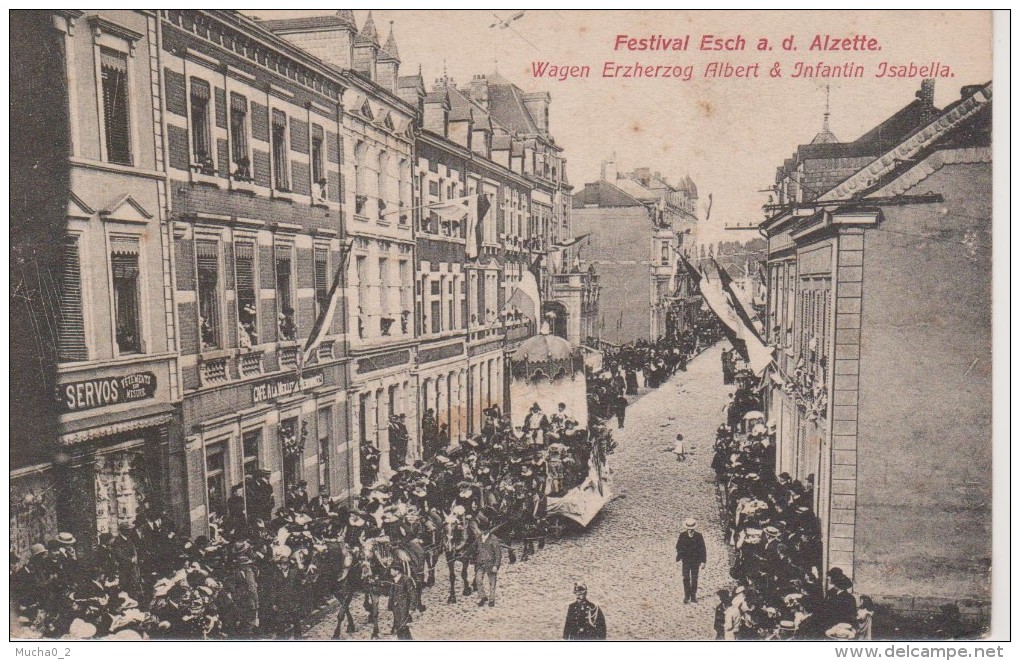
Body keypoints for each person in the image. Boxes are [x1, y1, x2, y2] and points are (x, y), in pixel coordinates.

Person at [675, 517, 706, 603]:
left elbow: (703, 549)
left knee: (694, 578)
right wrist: (681, 552)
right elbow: (678, 546)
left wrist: (703, 561)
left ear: (694, 528)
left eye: (691, 529)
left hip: (696, 561)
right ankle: (686, 596)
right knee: (686, 578)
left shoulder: (699, 536)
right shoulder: (682, 535)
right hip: (686, 560)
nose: (690, 530)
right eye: (688, 529)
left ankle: (693, 596)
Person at [474, 520, 503, 607]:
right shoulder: (478, 538)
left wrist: (496, 565)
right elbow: (475, 549)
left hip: (490, 563)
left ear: (488, 529)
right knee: (478, 580)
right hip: (480, 563)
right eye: (481, 529)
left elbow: (498, 554)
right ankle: (482, 597)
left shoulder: (494, 539)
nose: (483, 531)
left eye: (485, 529)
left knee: (492, 582)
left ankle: (491, 599)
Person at [388, 564, 415, 639]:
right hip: (396, 607)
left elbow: (412, 594)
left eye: (392, 571)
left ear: (397, 571)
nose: (390, 572)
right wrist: (390, 606)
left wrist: (412, 608)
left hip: (404, 606)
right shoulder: (394, 580)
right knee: (398, 626)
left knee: (403, 626)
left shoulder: (406, 579)